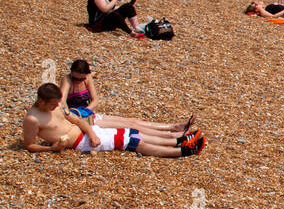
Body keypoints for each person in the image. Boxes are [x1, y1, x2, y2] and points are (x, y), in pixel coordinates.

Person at [22, 83, 204, 157]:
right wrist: (49, 149)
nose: (56, 107)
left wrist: (91, 133)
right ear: (41, 101)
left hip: (88, 134)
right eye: (52, 104)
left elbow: (78, 121)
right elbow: (29, 145)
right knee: (133, 142)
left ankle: (178, 140)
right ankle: (181, 151)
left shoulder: (58, 106)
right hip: (78, 143)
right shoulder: (32, 119)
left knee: (133, 133)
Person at [58, 59, 199, 138]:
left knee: (133, 121)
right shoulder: (68, 79)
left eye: (80, 78)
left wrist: (87, 111)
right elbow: (62, 101)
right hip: (79, 118)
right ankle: (175, 135)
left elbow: (95, 100)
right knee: (131, 126)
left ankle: (174, 126)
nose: (77, 81)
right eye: (76, 77)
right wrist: (75, 115)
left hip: (88, 114)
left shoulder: (86, 79)